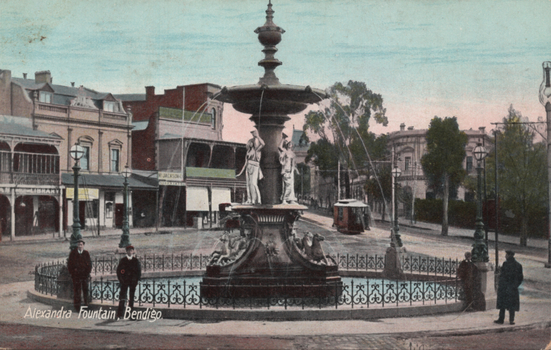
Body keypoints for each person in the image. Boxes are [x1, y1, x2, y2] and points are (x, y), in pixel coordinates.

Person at [495, 250, 523, 325]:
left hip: (505, 287)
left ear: (509, 255)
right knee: (512, 305)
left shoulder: (506, 264)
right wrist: (515, 285)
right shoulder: (518, 265)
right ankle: (511, 320)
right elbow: (520, 278)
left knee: (503, 304)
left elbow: (503, 276)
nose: (505, 256)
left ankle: (501, 319)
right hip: (513, 288)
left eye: (506, 254)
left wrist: (501, 285)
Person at [237, 129, 265, 205]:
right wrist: (240, 173)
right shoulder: (248, 152)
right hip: (248, 166)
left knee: (253, 183)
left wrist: (257, 136)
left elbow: (263, 144)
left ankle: (258, 199)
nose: (249, 144)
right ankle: (250, 199)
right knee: (248, 184)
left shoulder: (257, 150)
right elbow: (245, 163)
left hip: (255, 166)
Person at [116, 245, 142, 319]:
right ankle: (120, 314)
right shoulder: (123, 260)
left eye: (131, 250)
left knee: (131, 298)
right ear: (126, 251)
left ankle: (131, 314)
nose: (130, 252)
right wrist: (121, 280)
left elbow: (138, 272)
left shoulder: (136, 261)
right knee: (122, 297)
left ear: (133, 251)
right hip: (124, 282)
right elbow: (119, 271)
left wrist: (136, 280)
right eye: (128, 251)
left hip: (132, 282)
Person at [67, 239, 92, 312]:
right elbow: (69, 265)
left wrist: (87, 273)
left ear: (83, 245)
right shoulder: (73, 253)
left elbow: (89, 264)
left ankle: (86, 304)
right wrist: (73, 273)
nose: (80, 246)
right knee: (77, 291)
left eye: (81, 245)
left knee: (85, 290)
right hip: (76, 276)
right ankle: (77, 306)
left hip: (84, 276)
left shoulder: (86, 253)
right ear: (77, 246)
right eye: (79, 245)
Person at [278, 135, 299, 204]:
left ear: (292, 146)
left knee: (291, 186)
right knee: (286, 185)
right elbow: (279, 147)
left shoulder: (293, 154)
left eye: (291, 144)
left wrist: (292, 171)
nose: (290, 145)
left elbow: (293, 164)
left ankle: (291, 199)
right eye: (289, 143)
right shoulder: (285, 151)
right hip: (285, 170)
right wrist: (283, 138)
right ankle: (284, 199)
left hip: (290, 171)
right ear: (287, 145)